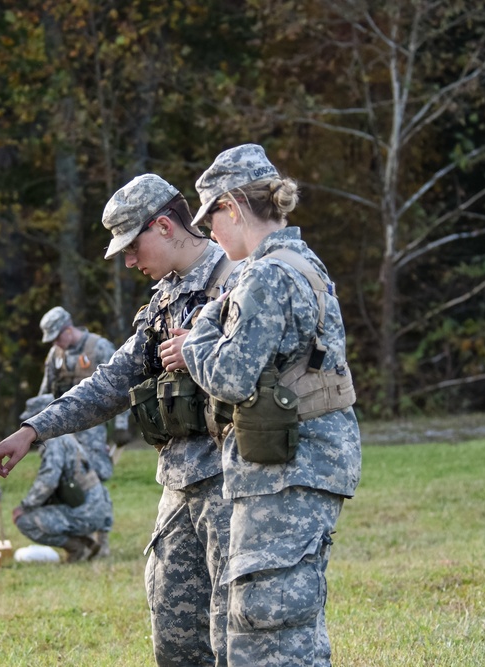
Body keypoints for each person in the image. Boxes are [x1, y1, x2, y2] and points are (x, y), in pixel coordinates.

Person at [0, 173, 243, 666]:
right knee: (175, 634)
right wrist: (33, 431)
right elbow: (112, 381)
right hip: (180, 487)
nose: (131, 262)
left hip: (236, 484)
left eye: (132, 248)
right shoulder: (164, 299)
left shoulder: (241, 278)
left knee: (237, 636)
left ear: (163, 226)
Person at [175, 144, 361, 666]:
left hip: (288, 471)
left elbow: (230, 378)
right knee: (288, 620)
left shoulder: (264, 275)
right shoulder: (304, 261)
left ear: (232, 206)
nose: (208, 231)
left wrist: (197, 337)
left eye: (210, 215)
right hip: (303, 463)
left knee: (267, 631)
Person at [37, 305, 132, 557]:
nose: (56, 343)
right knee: (67, 482)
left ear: (68, 329)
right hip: (63, 431)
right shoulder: (54, 355)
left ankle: (102, 540)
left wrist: (121, 427)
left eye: (58, 337)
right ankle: (80, 541)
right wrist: (37, 427)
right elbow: (45, 392)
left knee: (95, 482)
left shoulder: (99, 347)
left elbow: (122, 387)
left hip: (93, 430)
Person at [10, 394, 113, 563]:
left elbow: (48, 480)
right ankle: (87, 541)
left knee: (25, 521)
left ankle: (77, 547)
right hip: (97, 512)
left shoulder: (54, 441)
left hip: (85, 513)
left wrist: (24, 506)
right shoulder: (67, 437)